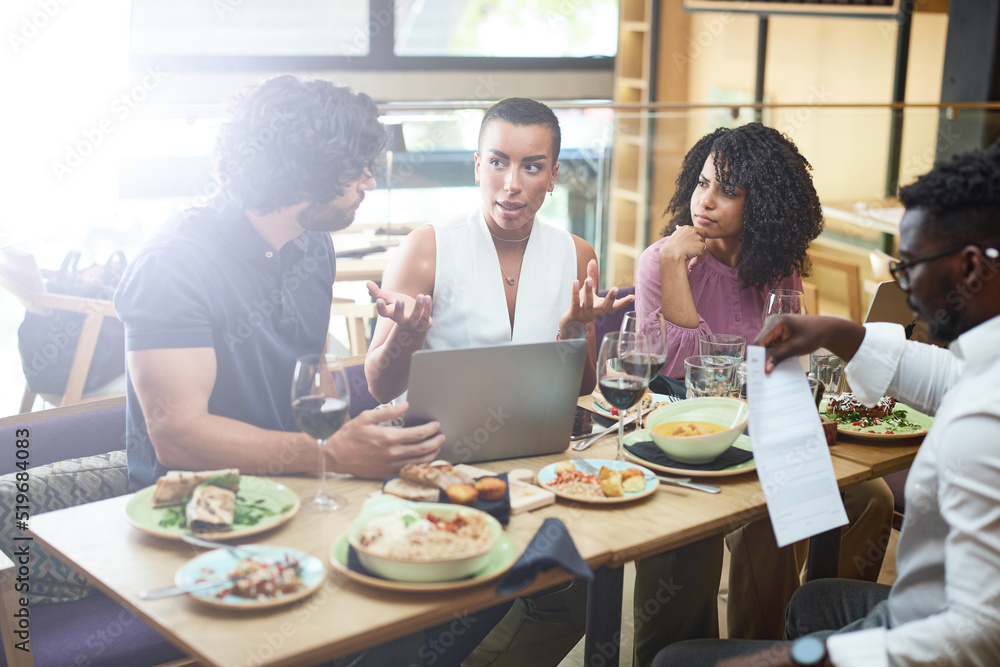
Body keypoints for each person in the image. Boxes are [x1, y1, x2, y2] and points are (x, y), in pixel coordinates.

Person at [655, 143, 1000, 666]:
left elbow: (974, 637)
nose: (908, 294)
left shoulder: (982, 424)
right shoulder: (984, 374)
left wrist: (803, 659)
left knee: (672, 660)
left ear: (971, 268)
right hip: (923, 609)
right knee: (814, 601)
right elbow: (952, 378)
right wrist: (840, 333)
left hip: (932, 631)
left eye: (908, 272)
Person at [363, 97, 632, 666]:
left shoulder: (575, 254)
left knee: (581, 584)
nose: (512, 184)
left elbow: (581, 391)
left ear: (554, 175)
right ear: (476, 167)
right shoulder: (428, 246)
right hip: (434, 469)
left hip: (535, 469)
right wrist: (406, 337)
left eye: (532, 166)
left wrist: (575, 330)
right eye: (498, 163)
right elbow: (377, 388)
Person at [631, 124, 893, 664]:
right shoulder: (662, 258)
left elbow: (781, 358)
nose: (704, 201)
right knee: (773, 519)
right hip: (688, 434)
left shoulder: (777, 265)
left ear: (764, 205)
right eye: (703, 183)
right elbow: (680, 367)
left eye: (727, 191)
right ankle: (755, 647)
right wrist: (676, 264)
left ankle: (812, 634)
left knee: (872, 498)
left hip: (764, 427)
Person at [114, 75, 445, 494]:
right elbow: (179, 436)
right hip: (194, 509)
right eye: (356, 168)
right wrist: (333, 454)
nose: (370, 181)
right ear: (306, 172)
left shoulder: (313, 243)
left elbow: (315, 380)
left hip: (293, 487)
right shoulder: (171, 265)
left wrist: (347, 450)